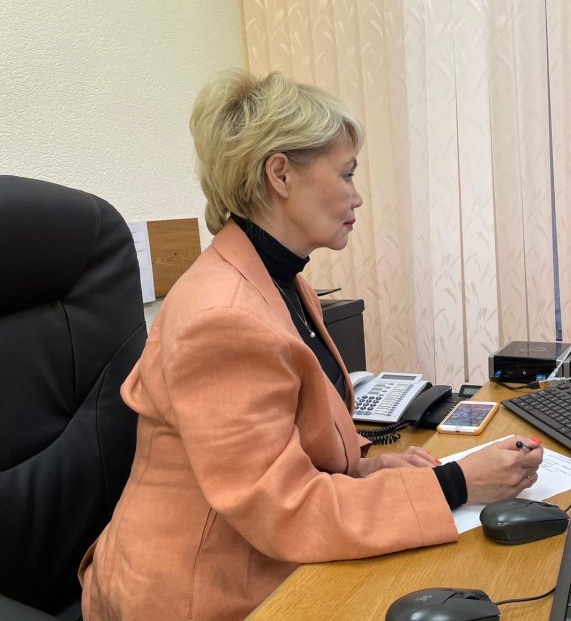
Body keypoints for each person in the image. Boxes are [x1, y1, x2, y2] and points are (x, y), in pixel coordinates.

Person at [78, 70, 544, 620]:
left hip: (259, 554)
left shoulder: (281, 280)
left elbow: (292, 445)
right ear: (280, 174)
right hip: (194, 594)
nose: (358, 195)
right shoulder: (223, 316)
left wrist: (367, 471)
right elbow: (284, 507)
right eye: (346, 174)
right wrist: (457, 483)